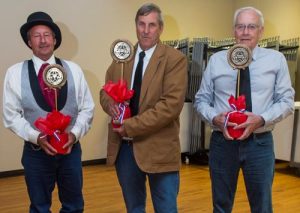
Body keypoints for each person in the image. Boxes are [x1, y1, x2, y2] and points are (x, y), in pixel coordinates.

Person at [194, 6, 294, 213]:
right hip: (223, 143)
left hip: (260, 144)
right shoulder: (217, 60)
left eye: (251, 27)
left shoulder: (276, 60)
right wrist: (214, 118)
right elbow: (201, 100)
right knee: (221, 206)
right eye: (241, 27)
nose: (246, 32)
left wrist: (262, 119)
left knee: (262, 206)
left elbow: (286, 100)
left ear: (261, 31)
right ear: (234, 31)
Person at [3, 11, 94, 213]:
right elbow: (10, 116)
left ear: (54, 39)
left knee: (74, 206)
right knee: (39, 208)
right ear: (29, 42)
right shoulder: (15, 72)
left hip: (70, 151)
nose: (42, 40)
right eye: (36, 35)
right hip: (35, 153)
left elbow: (87, 108)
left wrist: (75, 133)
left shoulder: (74, 69)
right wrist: (37, 137)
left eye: (47, 35)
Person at [100, 3, 187, 213]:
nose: (146, 30)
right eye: (141, 24)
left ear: (161, 28)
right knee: (134, 208)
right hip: (126, 151)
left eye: (152, 25)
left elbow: (170, 106)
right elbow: (105, 91)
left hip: (159, 150)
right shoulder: (122, 56)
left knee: (166, 208)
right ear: (135, 26)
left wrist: (130, 126)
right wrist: (109, 105)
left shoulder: (175, 59)